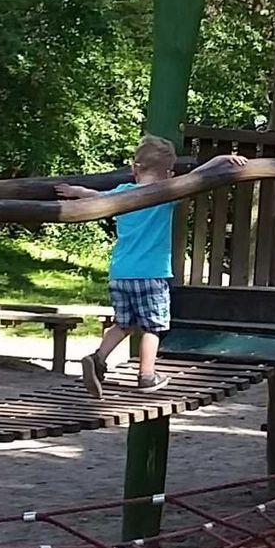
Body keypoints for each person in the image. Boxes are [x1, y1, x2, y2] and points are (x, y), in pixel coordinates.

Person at [58, 135, 178, 395]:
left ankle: (98, 359)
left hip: (120, 274)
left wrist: (77, 192)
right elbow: (199, 180)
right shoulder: (166, 194)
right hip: (151, 274)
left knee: (124, 323)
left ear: (135, 168)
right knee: (153, 327)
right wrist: (220, 160)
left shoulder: (123, 193)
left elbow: (98, 197)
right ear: (169, 173)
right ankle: (147, 376)